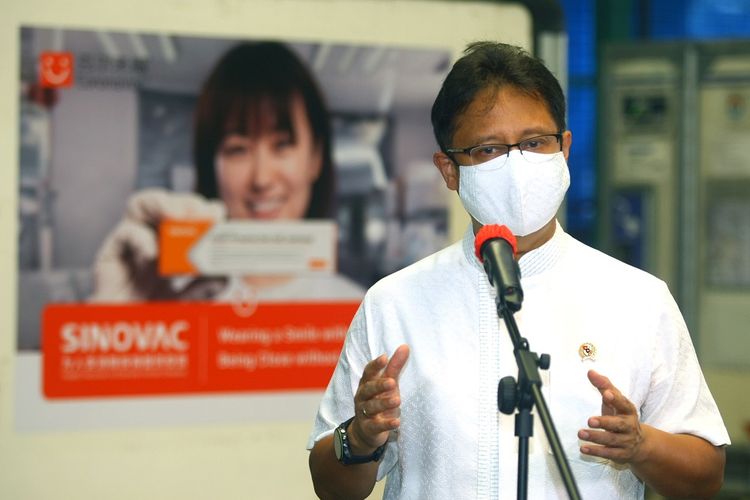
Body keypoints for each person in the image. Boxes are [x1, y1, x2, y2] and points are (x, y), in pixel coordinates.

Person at [307, 41, 730, 499]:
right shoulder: (396, 302)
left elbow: (706, 476)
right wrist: (361, 438)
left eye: (534, 143)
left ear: (564, 149)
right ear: (449, 169)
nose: (517, 165)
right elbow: (331, 486)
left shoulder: (637, 298)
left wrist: (641, 445)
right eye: (488, 149)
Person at [89, 41, 362, 303]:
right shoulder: (175, 301)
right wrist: (115, 327)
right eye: (238, 149)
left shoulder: (358, 311)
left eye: (282, 145)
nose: (262, 179)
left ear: (316, 158)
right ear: (211, 165)